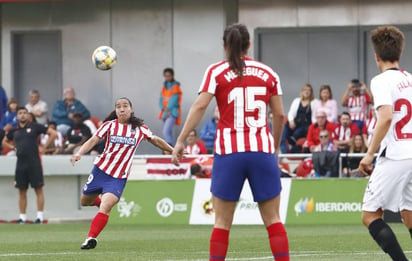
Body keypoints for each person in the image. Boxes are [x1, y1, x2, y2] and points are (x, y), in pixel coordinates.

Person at [171, 23, 289, 261]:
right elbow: (279, 116)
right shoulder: (268, 73)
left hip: (229, 153)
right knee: (273, 220)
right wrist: (274, 147)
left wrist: (181, 140)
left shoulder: (215, 71)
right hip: (261, 152)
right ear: (249, 44)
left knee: (222, 223)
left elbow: (200, 106)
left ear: (224, 46)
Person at [70, 97, 174, 250]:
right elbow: (93, 140)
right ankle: (100, 203)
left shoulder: (140, 129)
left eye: (125, 106)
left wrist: (173, 150)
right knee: (85, 202)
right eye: (118, 106)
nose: (122, 109)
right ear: (116, 111)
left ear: (131, 109)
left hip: (118, 177)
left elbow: (156, 140)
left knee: (106, 206)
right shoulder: (109, 126)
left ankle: (90, 238)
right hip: (100, 171)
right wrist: (79, 153)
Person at [358, 25, 412, 261]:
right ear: (400, 55)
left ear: (376, 56)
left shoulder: (380, 81)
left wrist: (369, 154)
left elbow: (386, 116)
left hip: (396, 154)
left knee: (370, 215)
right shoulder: (410, 79)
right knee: (409, 213)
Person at [2, 107, 57, 224]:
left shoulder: (35, 127)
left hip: (34, 163)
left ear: (28, 115)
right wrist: (12, 147)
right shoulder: (14, 130)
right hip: (21, 164)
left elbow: (53, 133)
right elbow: (4, 141)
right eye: (20, 113)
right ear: (17, 116)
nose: (22, 115)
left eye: (24, 113)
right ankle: (22, 218)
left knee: (38, 189)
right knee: (22, 190)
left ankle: (40, 217)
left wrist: (45, 147)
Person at [280, 83, 315, 153]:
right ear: (302, 91)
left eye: (309, 90)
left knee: (298, 132)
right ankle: (283, 149)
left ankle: (292, 143)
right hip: (296, 123)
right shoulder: (296, 101)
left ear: (311, 93)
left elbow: (314, 118)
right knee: (284, 129)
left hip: (306, 125)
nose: (307, 92)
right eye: (305, 90)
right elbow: (290, 113)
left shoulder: (314, 102)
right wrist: (291, 121)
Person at [158, 68, 182, 145]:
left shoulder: (175, 87)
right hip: (165, 113)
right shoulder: (164, 87)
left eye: (169, 76)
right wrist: (162, 107)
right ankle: (173, 149)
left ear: (172, 76)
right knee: (169, 132)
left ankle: (170, 149)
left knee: (166, 132)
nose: (167, 77)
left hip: (172, 113)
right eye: (166, 76)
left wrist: (167, 108)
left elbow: (174, 100)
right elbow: (161, 99)